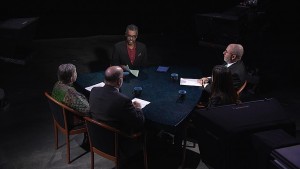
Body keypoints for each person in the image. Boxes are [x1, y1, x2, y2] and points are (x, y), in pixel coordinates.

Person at [89, 65, 145, 165]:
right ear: (119, 81)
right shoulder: (122, 100)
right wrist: (138, 108)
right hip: (117, 144)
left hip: (96, 139)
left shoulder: (94, 91)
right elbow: (139, 122)